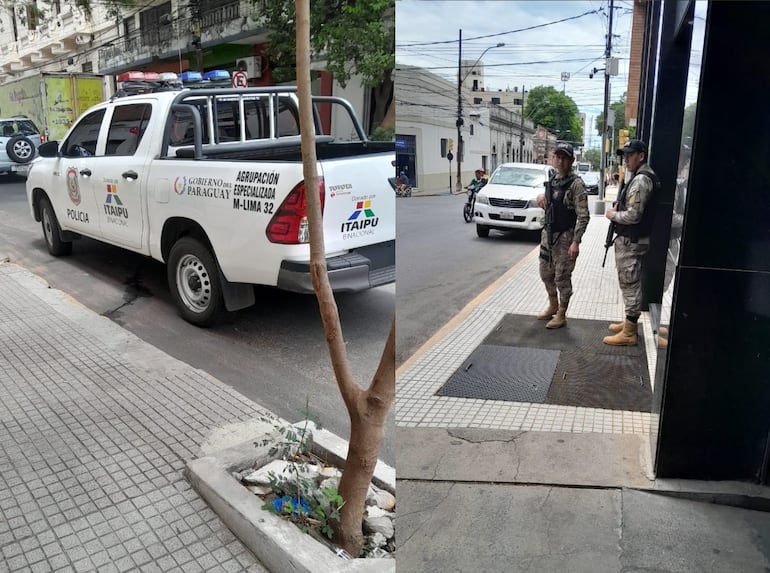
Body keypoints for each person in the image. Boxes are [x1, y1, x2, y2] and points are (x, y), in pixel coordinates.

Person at [604, 138, 660, 345]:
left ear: (641, 156)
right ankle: (629, 323)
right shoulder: (639, 177)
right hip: (632, 239)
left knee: (630, 283)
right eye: (624, 155)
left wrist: (612, 215)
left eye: (630, 155)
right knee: (629, 282)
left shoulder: (641, 180)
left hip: (632, 240)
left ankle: (629, 333)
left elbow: (634, 216)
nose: (625, 159)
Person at [535, 142, 590, 329]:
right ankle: (553, 304)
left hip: (565, 238)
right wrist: (541, 199)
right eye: (557, 157)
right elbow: (549, 203)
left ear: (571, 160)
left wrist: (576, 242)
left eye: (564, 158)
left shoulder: (577, 185)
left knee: (562, 278)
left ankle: (562, 314)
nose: (560, 161)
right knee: (545, 273)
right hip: (548, 235)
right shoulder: (552, 180)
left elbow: (583, 216)